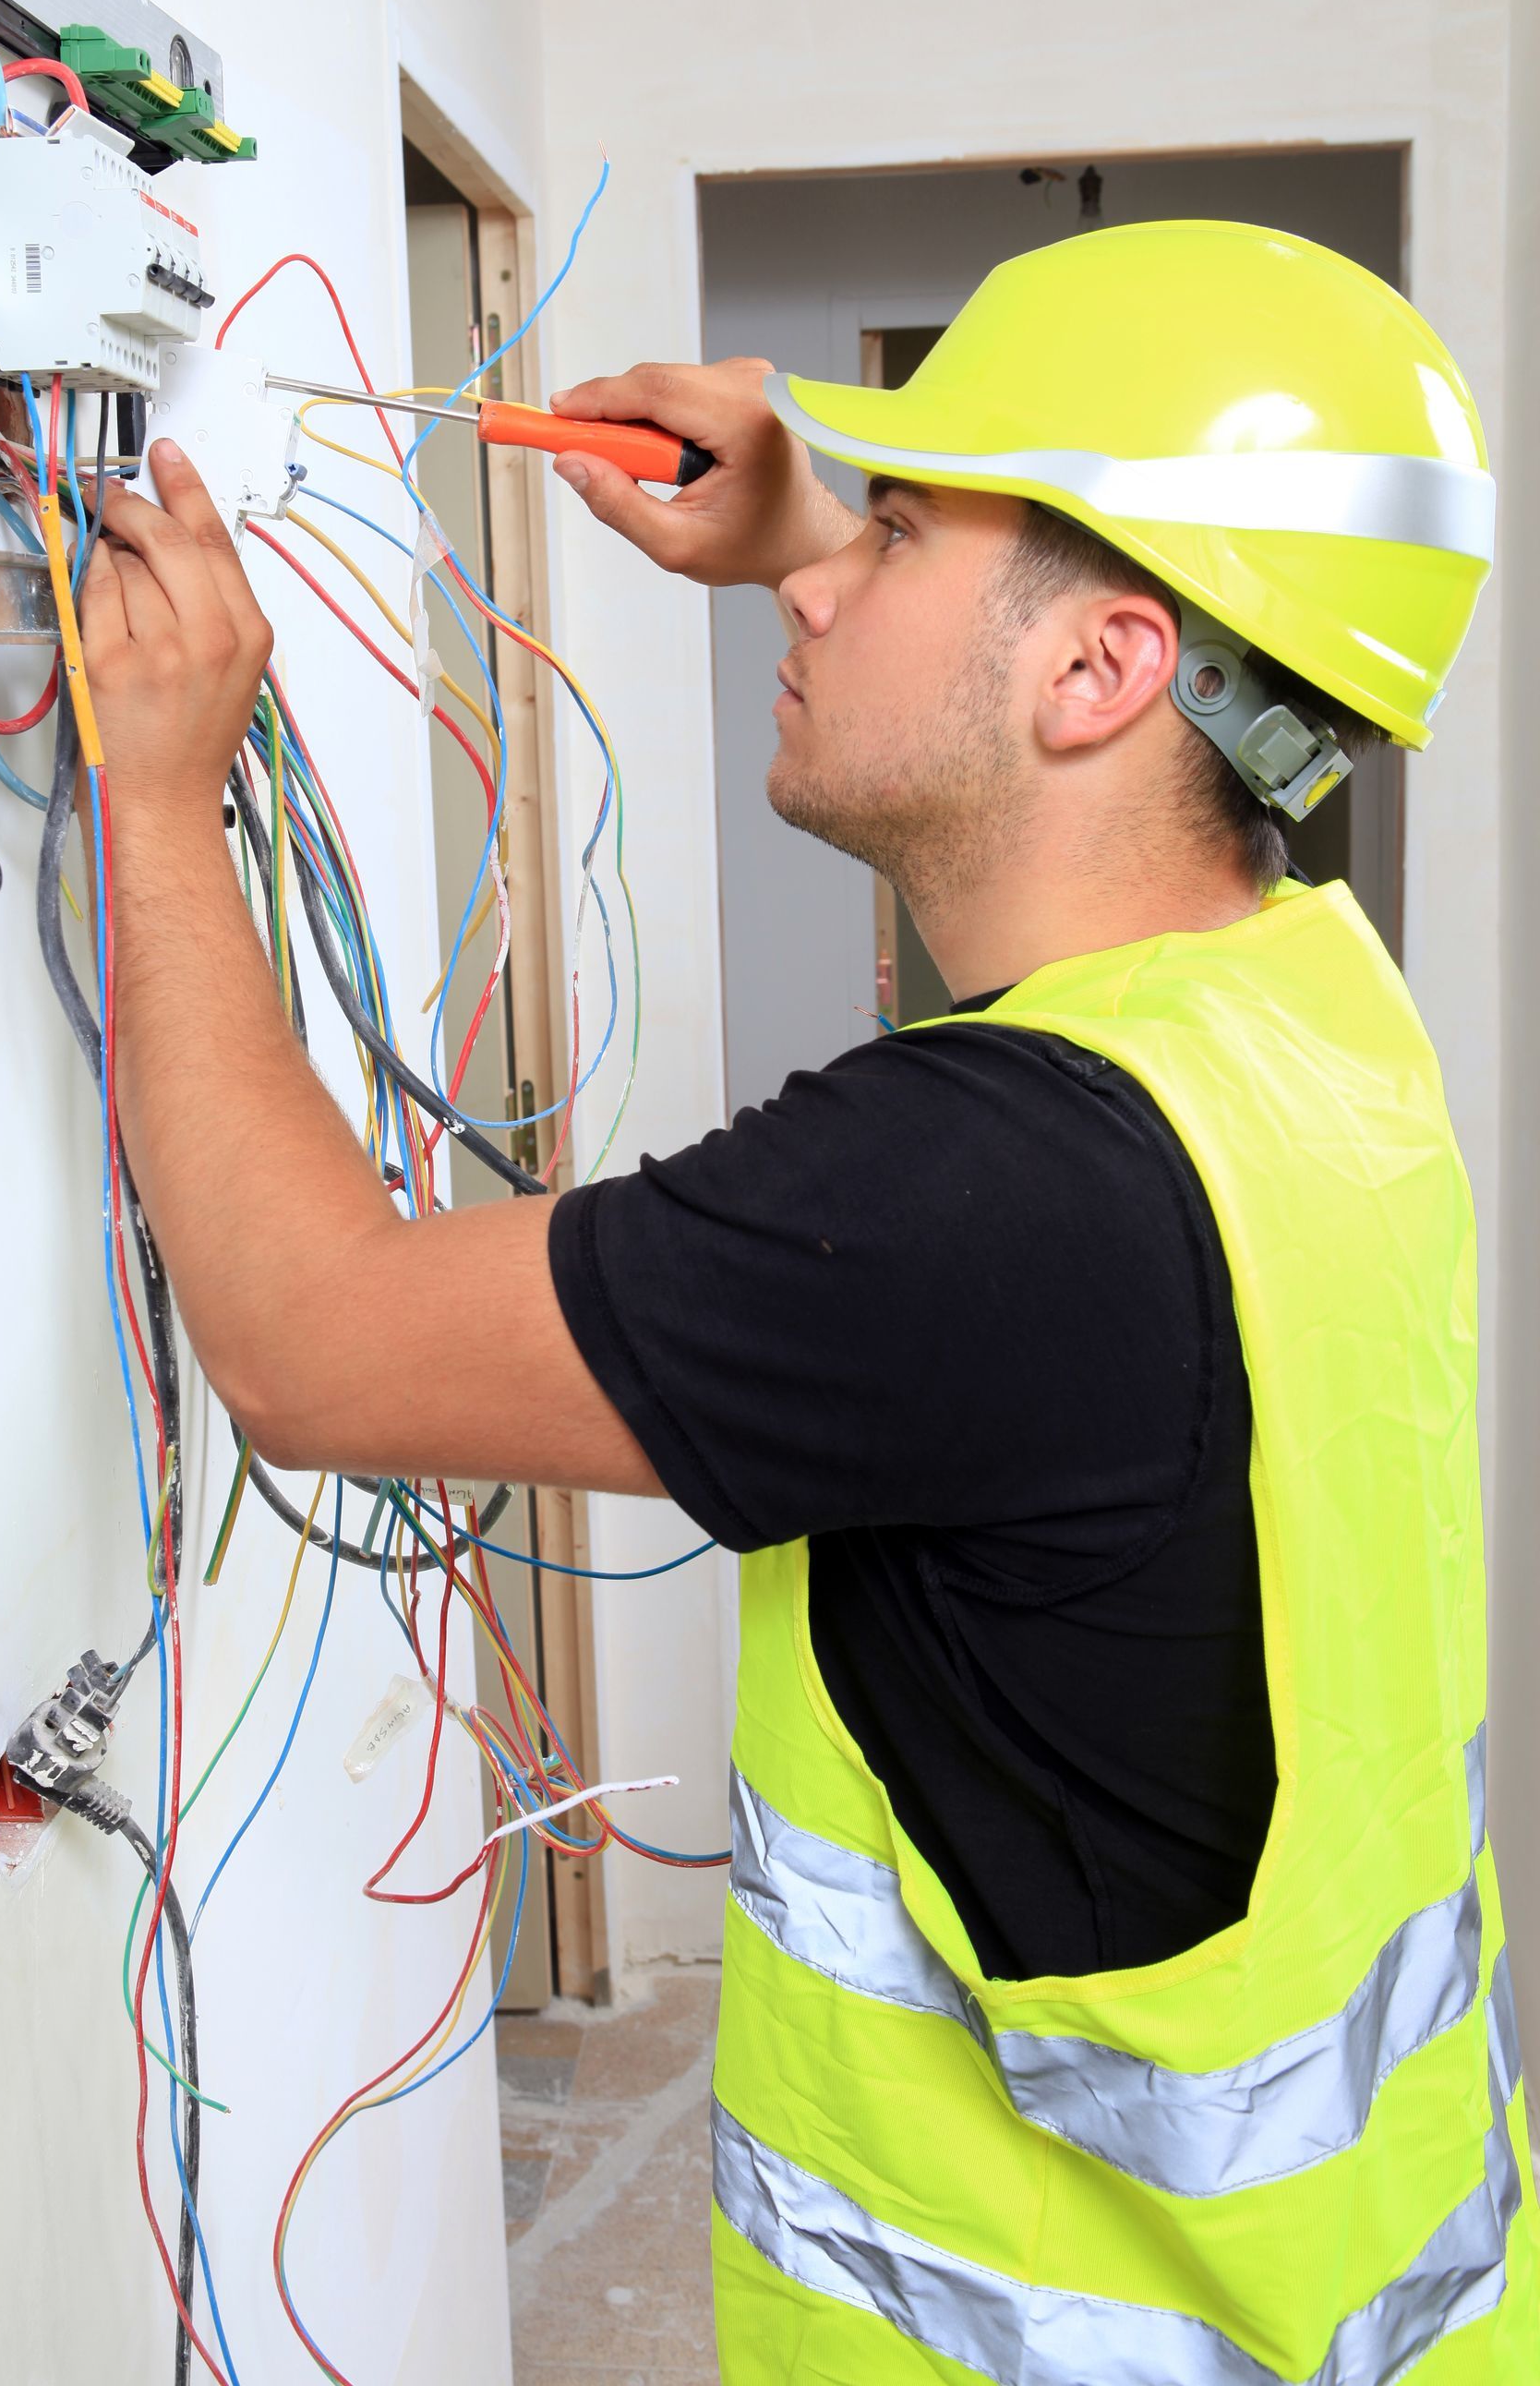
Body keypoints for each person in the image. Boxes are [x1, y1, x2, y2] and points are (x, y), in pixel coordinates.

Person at [78, 218, 1536, 2382]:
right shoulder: (1311, 1013)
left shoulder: (984, 1192)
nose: (828, 572)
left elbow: (308, 1339)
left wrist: (161, 792)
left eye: (908, 526)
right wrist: (815, 537)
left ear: (1107, 671)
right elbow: (1032, 667)